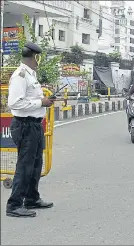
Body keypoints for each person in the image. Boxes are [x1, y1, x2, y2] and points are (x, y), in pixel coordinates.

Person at [6, 42, 54, 218]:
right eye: (38, 57)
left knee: (35, 165)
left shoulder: (31, 76)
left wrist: (45, 100)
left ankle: (32, 198)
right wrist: (40, 103)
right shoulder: (21, 75)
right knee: (25, 166)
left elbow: (32, 98)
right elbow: (15, 103)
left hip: (35, 124)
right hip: (24, 125)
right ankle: (14, 204)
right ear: (35, 57)